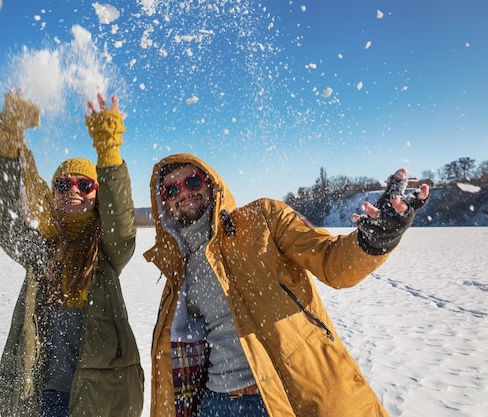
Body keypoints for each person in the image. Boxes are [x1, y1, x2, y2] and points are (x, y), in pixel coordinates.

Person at [143, 153, 429, 417]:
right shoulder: (179, 268)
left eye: (192, 180)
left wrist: (373, 240)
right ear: (164, 203)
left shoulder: (263, 219)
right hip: (217, 403)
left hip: (284, 397)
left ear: (211, 183)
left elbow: (333, 262)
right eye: (171, 189)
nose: (183, 192)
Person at [0, 91, 144, 417]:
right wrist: (7, 151)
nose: (73, 190)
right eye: (62, 184)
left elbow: (121, 225)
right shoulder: (42, 251)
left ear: (98, 195)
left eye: (85, 185)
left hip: (98, 397)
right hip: (45, 397)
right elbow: (4, 227)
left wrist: (108, 151)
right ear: (53, 192)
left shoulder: (107, 252)